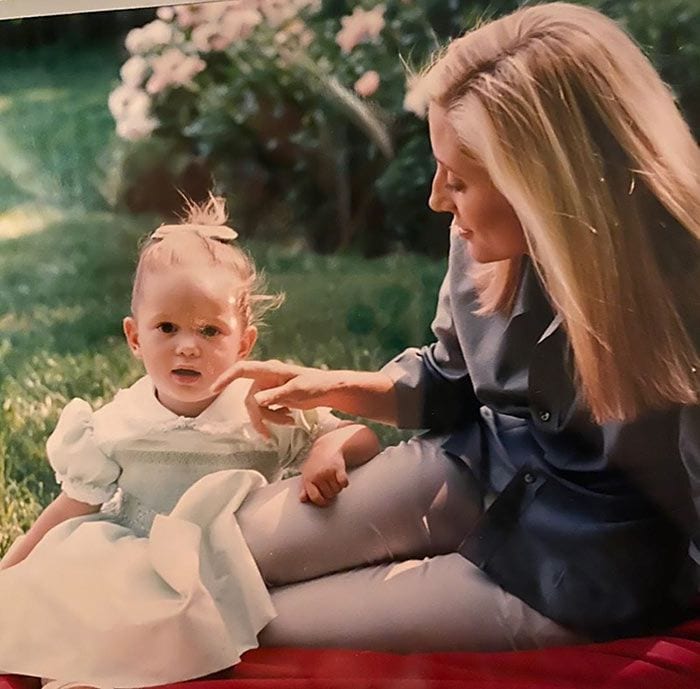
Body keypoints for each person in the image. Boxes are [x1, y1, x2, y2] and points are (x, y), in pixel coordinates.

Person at [210, 1, 700, 652]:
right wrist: (330, 385)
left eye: (461, 179)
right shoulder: (477, 245)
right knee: (219, 553)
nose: (438, 197)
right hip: (479, 463)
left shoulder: (679, 290)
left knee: (256, 624)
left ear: (547, 187)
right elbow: (447, 379)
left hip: (576, 567)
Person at [0, 196, 381, 687]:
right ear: (135, 338)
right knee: (70, 593)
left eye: (209, 330)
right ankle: (61, 665)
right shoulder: (119, 422)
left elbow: (361, 436)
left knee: (164, 631)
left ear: (243, 343)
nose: (187, 345)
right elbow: (72, 506)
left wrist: (331, 448)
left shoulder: (263, 408)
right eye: (167, 328)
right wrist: (10, 569)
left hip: (235, 561)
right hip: (137, 558)